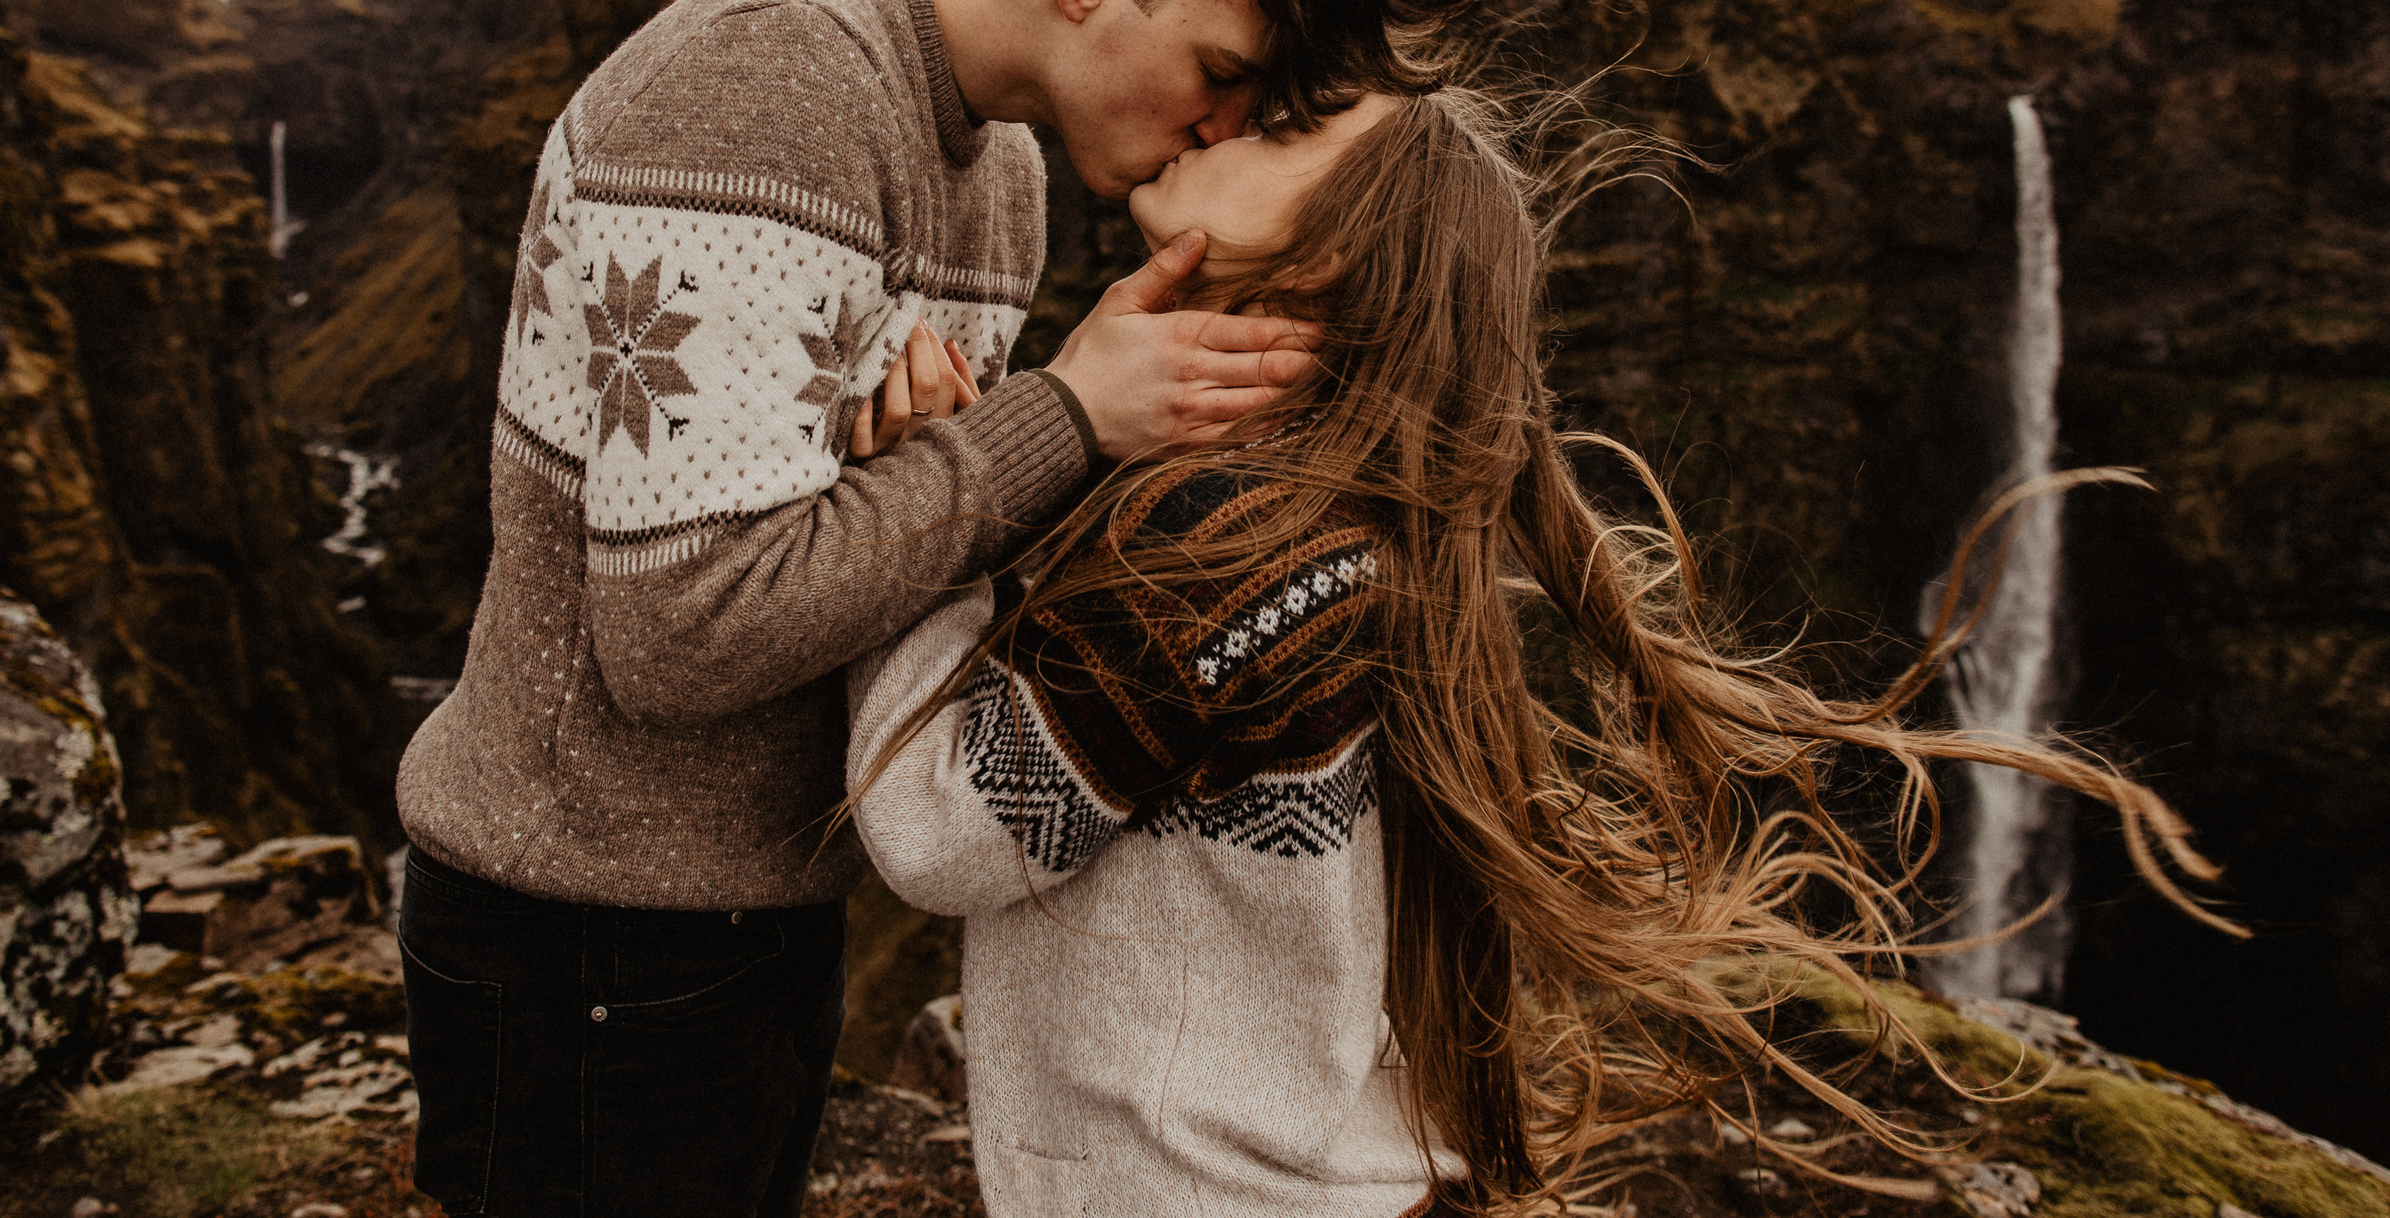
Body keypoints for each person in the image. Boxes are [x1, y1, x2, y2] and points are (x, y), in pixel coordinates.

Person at [390, 0, 1492, 1217]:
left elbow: (893, 532)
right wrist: (1058, 420)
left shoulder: (1009, 178)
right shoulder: (772, 82)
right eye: (1221, 68)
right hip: (585, 916)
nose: (1221, 122)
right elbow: (677, 634)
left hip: (755, 907)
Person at [843, 88, 2238, 1216]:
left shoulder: (1215, 545)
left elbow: (933, 831)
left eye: (1279, 124)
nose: (1215, 116)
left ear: (1336, 255)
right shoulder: (1346, 530)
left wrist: (930, 509)